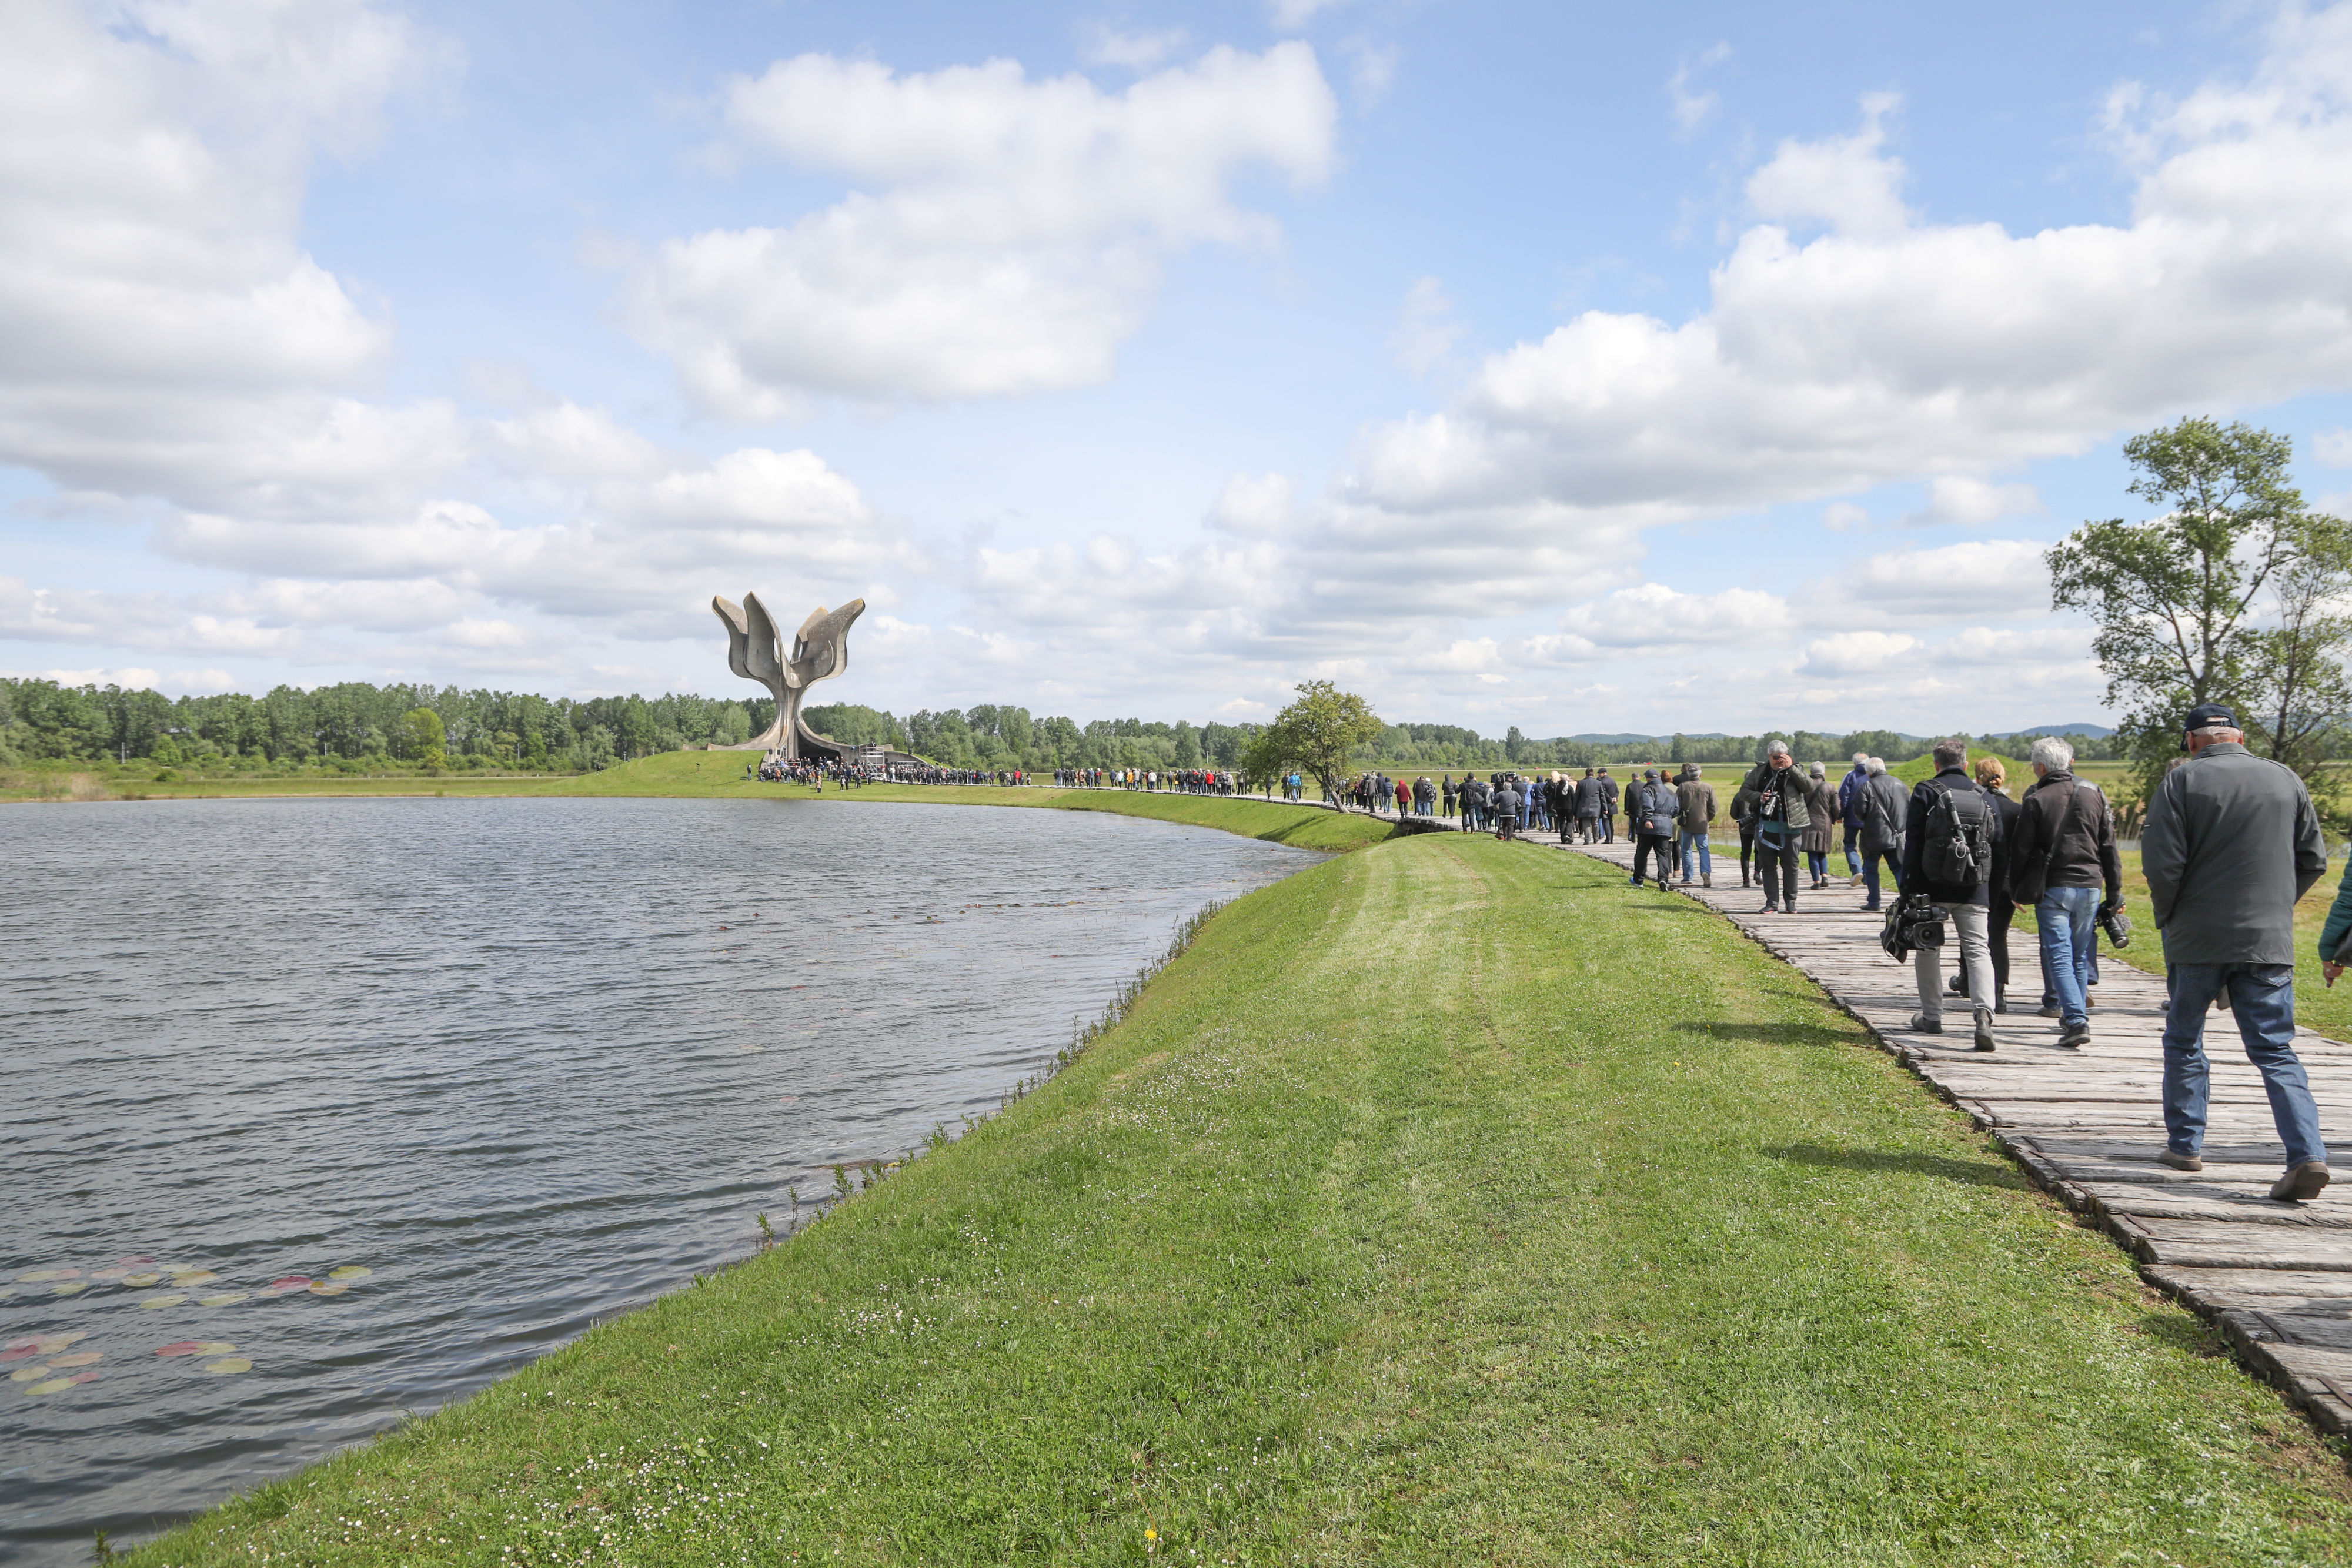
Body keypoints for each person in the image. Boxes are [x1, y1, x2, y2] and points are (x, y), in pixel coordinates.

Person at [2143, 703, 2330, 1199]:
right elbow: (2314, 859)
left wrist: (2171, 918)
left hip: (2196, 938)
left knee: (2185, 1040)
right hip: (2267, 941)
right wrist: (2275, 907)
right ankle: (2307, 1154)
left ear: (2191, 741)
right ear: (2240, 736)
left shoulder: (2180, 783)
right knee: (2275, 1049)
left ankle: (2185, 1144)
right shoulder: (2286, 778)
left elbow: (2162, 865)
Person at [2003, 737, 2119, 1045]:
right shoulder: (2095, 793)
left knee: (2059, 955)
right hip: (2091, 885)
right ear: (2070, 762)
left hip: (2054, 887)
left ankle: (2077, 1021)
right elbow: (2109, 846)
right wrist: (2116, 892)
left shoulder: (2037, 799)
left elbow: (2021, 850)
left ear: (2040, 767)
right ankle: (2073, 1014)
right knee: (2079, 956)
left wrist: (2015, 889)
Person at [1899, 738, 2000, 1051]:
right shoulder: (1985, 795)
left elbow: (1914, 844)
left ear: (1936, 764)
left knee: (1928, 950)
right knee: (1978, 949)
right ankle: (1983, 1013)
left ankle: (1932, 1017)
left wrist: (1909, 890)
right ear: (1967, 764)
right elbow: (1997, 846)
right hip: (1975, 887)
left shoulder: (1926, 791)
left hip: (1932, 886)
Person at [1739, 743, 1806, 912]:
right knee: (1768, 866)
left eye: (1783, 756)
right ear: (1769, 756)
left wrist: (1792, 769)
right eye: (1776, 757)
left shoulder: (1796, 769)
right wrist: (1760, 797)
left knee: (1791, 867)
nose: (1779, 760)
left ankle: (1791, 903)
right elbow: (1744, 791)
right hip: (1766, 828)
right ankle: (1772, 903)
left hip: (1792, 828)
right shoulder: (1760, 772)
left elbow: (1809, 787)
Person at [1856, 757, 1907, 910]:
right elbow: (1909, 808)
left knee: (1871, 869)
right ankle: (1906, 899)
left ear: (1869, 772)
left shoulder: (1867, 786)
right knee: (1898, 868)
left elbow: (1860, 811)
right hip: (1896, 836)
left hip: (1873, 836)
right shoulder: (1901, 785)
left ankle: (1874, 902)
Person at [1628, 768, 1677, 887]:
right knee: (1663, 855)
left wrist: (1647, 819)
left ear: (1648, 778)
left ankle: (1639, 880)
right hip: (1665, 827)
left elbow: (1647, 806)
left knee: (1642, 853)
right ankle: (1663, 879)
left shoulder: (1648, 790)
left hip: (1648, 828)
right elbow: (1676, 810)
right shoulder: (1670, 792)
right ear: (1659, 778)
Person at [1675, 763, 1716, 887]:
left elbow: (1677, 805)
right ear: (1700, 774)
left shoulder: (1683, 786)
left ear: (1689, 774)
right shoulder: (1708, 787)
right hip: (1702, 824)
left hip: (1686, 824)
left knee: (1686, 850)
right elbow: (1714, 807)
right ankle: (1705, 872)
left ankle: (1688, 877)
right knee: (1704, 850)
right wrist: (1708, 819)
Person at [1802, 761, 1839, 888]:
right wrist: (1833, 819)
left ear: (1811, 772)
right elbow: (1836, 807)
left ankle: (1816, 882)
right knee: (1822, 851)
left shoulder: (1805, 787)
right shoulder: (1830, 787)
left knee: (1812, 852)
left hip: (1809, 822)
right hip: (1825, 823)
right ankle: (1825, 877)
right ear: (1824, 773)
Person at [1838, 752, 1870, 885]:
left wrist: (1840, 816)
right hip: (1870, 818)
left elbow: (1843, 797)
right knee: (1868, 848)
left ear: (1855, 764)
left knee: (1850, 844)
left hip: (1852, 817)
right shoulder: (1872, 776)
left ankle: (1857, 869)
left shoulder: (1850, 776)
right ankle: (1868, 876)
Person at [1575, 768, 1603, 842]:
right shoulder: (1598, 783)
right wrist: (1605, 808)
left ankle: (1587, 839)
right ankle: (1596, 838)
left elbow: (1577, 796)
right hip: (1596, 807)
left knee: (1586, 824)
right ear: (1593, 774)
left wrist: (1574, 808)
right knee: (1595, 823)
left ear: (1586, 774)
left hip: (1584, 807)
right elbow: (1602, 797)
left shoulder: (1581, 783)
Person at [1493, 775, 1521, 841]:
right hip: (1512, 812)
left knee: (1504, 825)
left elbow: (1495, 801)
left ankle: (1505, 836)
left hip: (1503, 812)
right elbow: (1520, 800)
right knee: (1511, 825)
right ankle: (1509, 838)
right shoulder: (1515, 793)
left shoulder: (1500, 794)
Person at [1597, 767, 1619, 843]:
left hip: (1606, 805)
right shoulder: (1613, 780)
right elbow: (1617, 791)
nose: (1599, 775)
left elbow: (1604, 793)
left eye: (1600, 774)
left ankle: (1608, 839)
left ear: (1604, 773)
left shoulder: (1602, 782)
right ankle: (1611, 839)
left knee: (1606, 822)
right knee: (1611, 822)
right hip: (1613, 805)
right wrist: (1615, 798)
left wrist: (1610, 799)